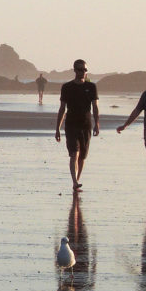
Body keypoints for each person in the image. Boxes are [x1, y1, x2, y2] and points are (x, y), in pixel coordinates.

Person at [54, 59, 99, 193]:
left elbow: (95, 107)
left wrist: (96, 124)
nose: (82, 72)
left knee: (82, 156)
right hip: (71, 124)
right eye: (80, 69)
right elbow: (62, 108)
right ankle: (75, 181)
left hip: (86, 125)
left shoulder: (91, 87)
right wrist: (57, 128)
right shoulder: (67, 87)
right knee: (74, 153)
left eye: (85, 70)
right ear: (75, 70)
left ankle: (76, 181)